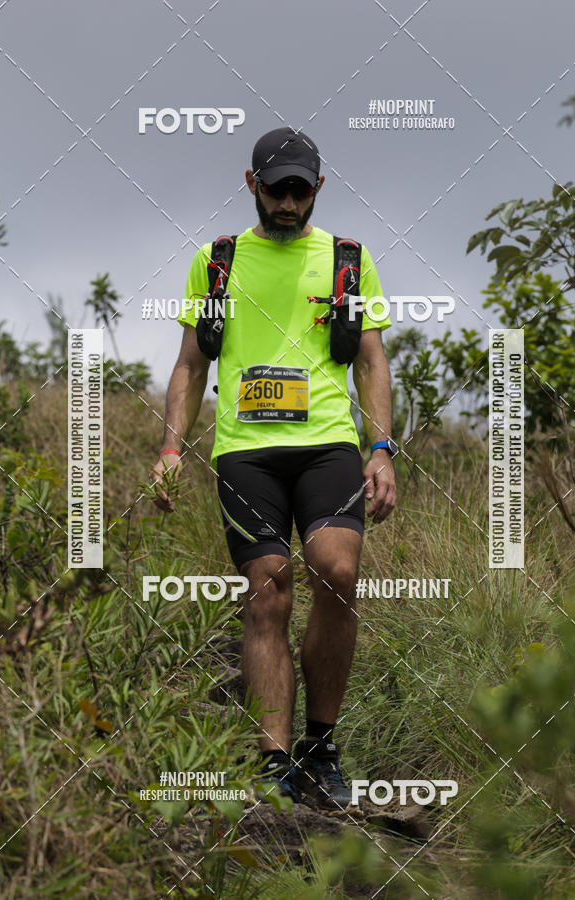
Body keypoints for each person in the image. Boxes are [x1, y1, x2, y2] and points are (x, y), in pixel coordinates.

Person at [152, 127, 397, 812]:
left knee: (337, 572)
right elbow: (189, 365)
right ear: (251, 183)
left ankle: (322, 747)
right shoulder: (217, 260)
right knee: (269, 591)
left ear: (317, 188)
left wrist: (381, 448)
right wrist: (171, 448)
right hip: (244, 452)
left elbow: (373, 361)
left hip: (327, 442)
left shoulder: (349, 258)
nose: (287, 202)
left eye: (299, 190)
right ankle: (274, 760)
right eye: (275, 188)